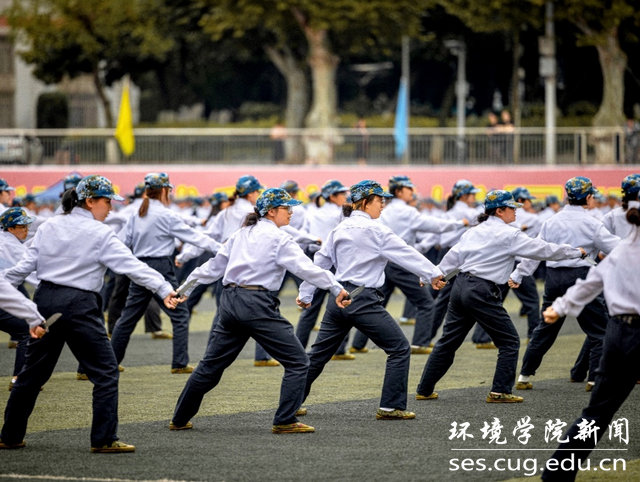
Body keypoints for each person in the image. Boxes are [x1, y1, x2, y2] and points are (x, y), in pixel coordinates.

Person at [1, 175, 178, 453]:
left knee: (31, 375)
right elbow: (132, 266)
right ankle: (104, 438)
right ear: (91, 201)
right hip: (80, 304)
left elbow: (21, 269)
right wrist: (164, 288)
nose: (110, 208)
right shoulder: (100, 233)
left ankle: (10, 436)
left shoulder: (49, 226)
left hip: (45, 300)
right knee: (106, 372)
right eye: (107, 201)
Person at [170, 188, 350, 434]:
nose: (291, 212)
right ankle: (285, 420)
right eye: (287, 208)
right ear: (272, 212)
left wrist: (183, 290)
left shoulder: (240, 234)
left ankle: (179, 418)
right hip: (256, 304)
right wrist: (336, 287)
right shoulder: (280, 238)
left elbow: (212, 267)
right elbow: (306, 269)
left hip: (230, 302)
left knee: (210, 365)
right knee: (298, 362)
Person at [416, 190, 585, 404]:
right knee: (509, 341)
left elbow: (453, 257)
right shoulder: (510, 234)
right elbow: (542, 250)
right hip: (482, 290)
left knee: (448, 341)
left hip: (460, 287)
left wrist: (434, 274)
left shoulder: (473, 231)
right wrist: (575, 252)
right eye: (512, 208)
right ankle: (500, 391)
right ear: (499, 210)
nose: (515, 211)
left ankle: (424, 389)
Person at [300, 180, 444, 420]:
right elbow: (406, 253)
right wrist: (433, 274)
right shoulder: (377, 230)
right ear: (366, 202)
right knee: (399, 348)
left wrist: (306, 293)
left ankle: (290, 404)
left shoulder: (339, 229)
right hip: (363, 299)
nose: (383, 205)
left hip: (338, 298)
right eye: (380, 200)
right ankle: (390, 407)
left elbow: (320, 264)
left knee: (317, 355)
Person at [541, 207, 640, 482]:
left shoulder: (621, 250)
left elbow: (591, 282)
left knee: (597, 413)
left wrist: (560, 307)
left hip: (618, 332)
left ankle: (556, 474)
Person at [512, 177, 620, 393]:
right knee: (599, 331)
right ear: (588, 198)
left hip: (553, 278)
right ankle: (594, 379)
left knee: (545, 328)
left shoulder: (550, 221)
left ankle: (524, 375)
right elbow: (616, 247)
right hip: (581, 277)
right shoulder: (592, 223)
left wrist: (518, 274)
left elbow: (536, 251)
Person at [110, 173, 220, 374]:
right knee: (180, 314)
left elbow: (120, 242)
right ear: (164, 190)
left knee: (127, 318)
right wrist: (222, 249)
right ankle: (179, 363)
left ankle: (111, 363)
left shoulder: (137, 214)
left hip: (139, 267)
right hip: (161, 266)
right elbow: (196, 238)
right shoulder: (166, 215)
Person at [349, 175, 466, 354]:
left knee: (377, 302)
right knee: (426, 303)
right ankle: (420, 343)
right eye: (409, 188)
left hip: (386, 262)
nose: (412, 191)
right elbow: (435, 226)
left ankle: (357, 344)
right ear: (399, 191)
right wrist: (460, 223)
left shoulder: (385, 209)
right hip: (400, 263)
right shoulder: (407, 212)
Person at [296, 179, 352, 359]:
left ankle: (297, 349)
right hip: (336, 261)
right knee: (341, 303)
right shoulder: (342, 214)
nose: (345, 196)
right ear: (332, 196)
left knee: (310, 308)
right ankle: (340, 349)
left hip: (315, 258)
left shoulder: (312, 213)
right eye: (342, 193)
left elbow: (303, 236)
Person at [0, 208, 37, 390]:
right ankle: (19, 379)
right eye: (23, 226)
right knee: (27, 332)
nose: (27, 229)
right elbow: (36, 278)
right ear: (11, 229)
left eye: (27, 225)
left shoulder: (5, 240)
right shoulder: (14, 248)